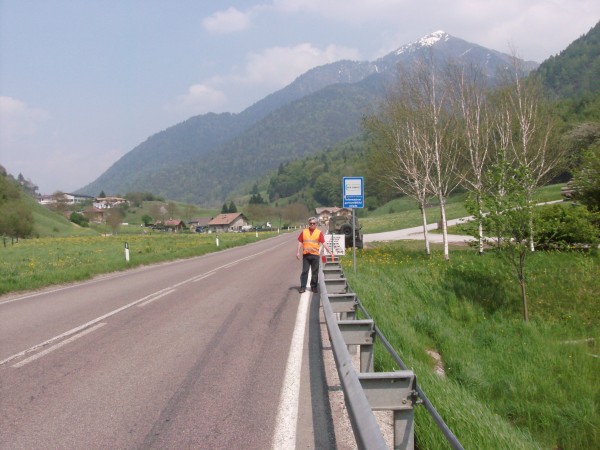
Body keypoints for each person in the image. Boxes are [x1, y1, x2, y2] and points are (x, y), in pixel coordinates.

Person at [296, 217, 333, 293]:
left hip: (315, 255)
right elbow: (300, 242)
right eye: (311, 223)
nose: (312, 224)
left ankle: (314, 287)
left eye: (313, 223)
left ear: (316, 224)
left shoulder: (319, 233)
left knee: (315, 272)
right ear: (309, 224)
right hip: (306, 255)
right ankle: (303, 287)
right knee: (305, 271)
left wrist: (330, 252)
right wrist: (298, 252)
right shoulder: (304, 232)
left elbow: (324, 243)